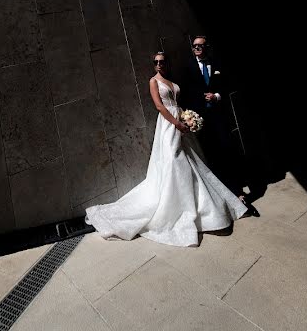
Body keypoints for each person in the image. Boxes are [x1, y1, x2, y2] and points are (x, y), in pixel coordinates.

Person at [85, 52, 247, 246]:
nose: (159, 64)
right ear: (153, 65)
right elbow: (160, 107)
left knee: (190, 160)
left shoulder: (172, 82)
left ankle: (198, 205)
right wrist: (177, 124)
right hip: (168, 125)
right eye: (156, 62)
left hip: (179, 118)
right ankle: (174, 207)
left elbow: (177, 103)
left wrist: (187, 118)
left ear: (166, 63)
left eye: (162, 61)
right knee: (173, 158)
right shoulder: (154, 81)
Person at [180, 35, 259, 215]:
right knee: (211, 156)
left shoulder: (217, 64)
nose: (197, 48)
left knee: (227, 152)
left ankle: (237, 193)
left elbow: (227, 86)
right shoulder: (188, 67)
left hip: (219, 118)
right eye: (195, 46)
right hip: (201, 121)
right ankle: (221, 195)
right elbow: (185, 94)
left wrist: (216, 96)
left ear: (207, 47)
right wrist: (190, 116)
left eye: (200, 45)